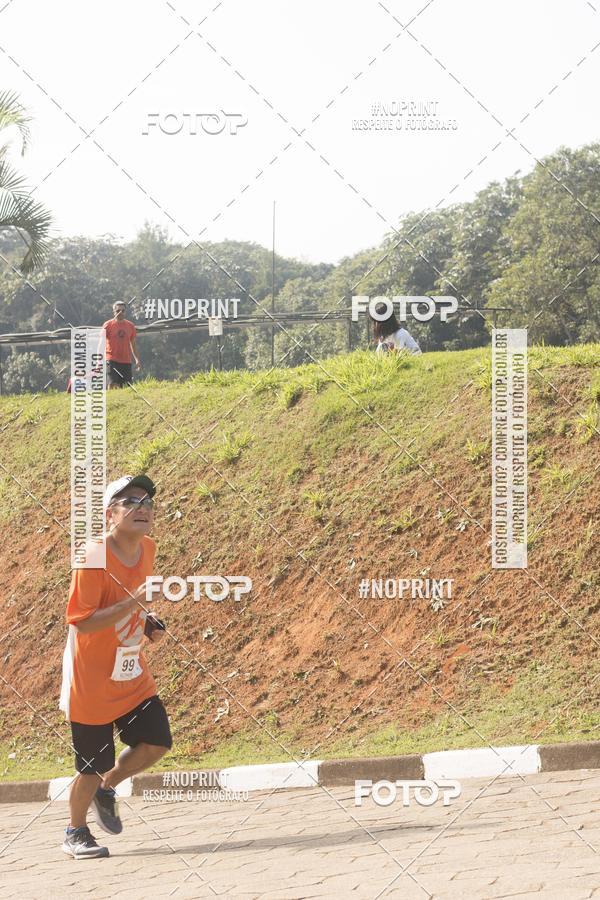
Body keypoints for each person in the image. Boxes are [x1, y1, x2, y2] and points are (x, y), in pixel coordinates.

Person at [60, 474, 171, 859]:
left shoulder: (148, 548)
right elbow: (83, 620)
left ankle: (107, 788)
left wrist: (146, 621)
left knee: (157, 741)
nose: (143, 509)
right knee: (91, 765)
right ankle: (75, 831)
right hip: (90, 678)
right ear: (110, 514)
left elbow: (132, 602)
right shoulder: (92, 556)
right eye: (131, 503)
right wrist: (133, 604)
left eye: (148, 503)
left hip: (130, 670)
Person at [102, 301, 141, 389]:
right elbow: (101, 343)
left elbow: (133, 344)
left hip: (126, 361)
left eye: (123, 311)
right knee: (113, 383)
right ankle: (112, 401)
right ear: (114, 312)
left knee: (127, 386)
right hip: (111, 360)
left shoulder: (130, 326)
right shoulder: (108, 325)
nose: (120, 313)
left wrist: (137, 359)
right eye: (118, 310)